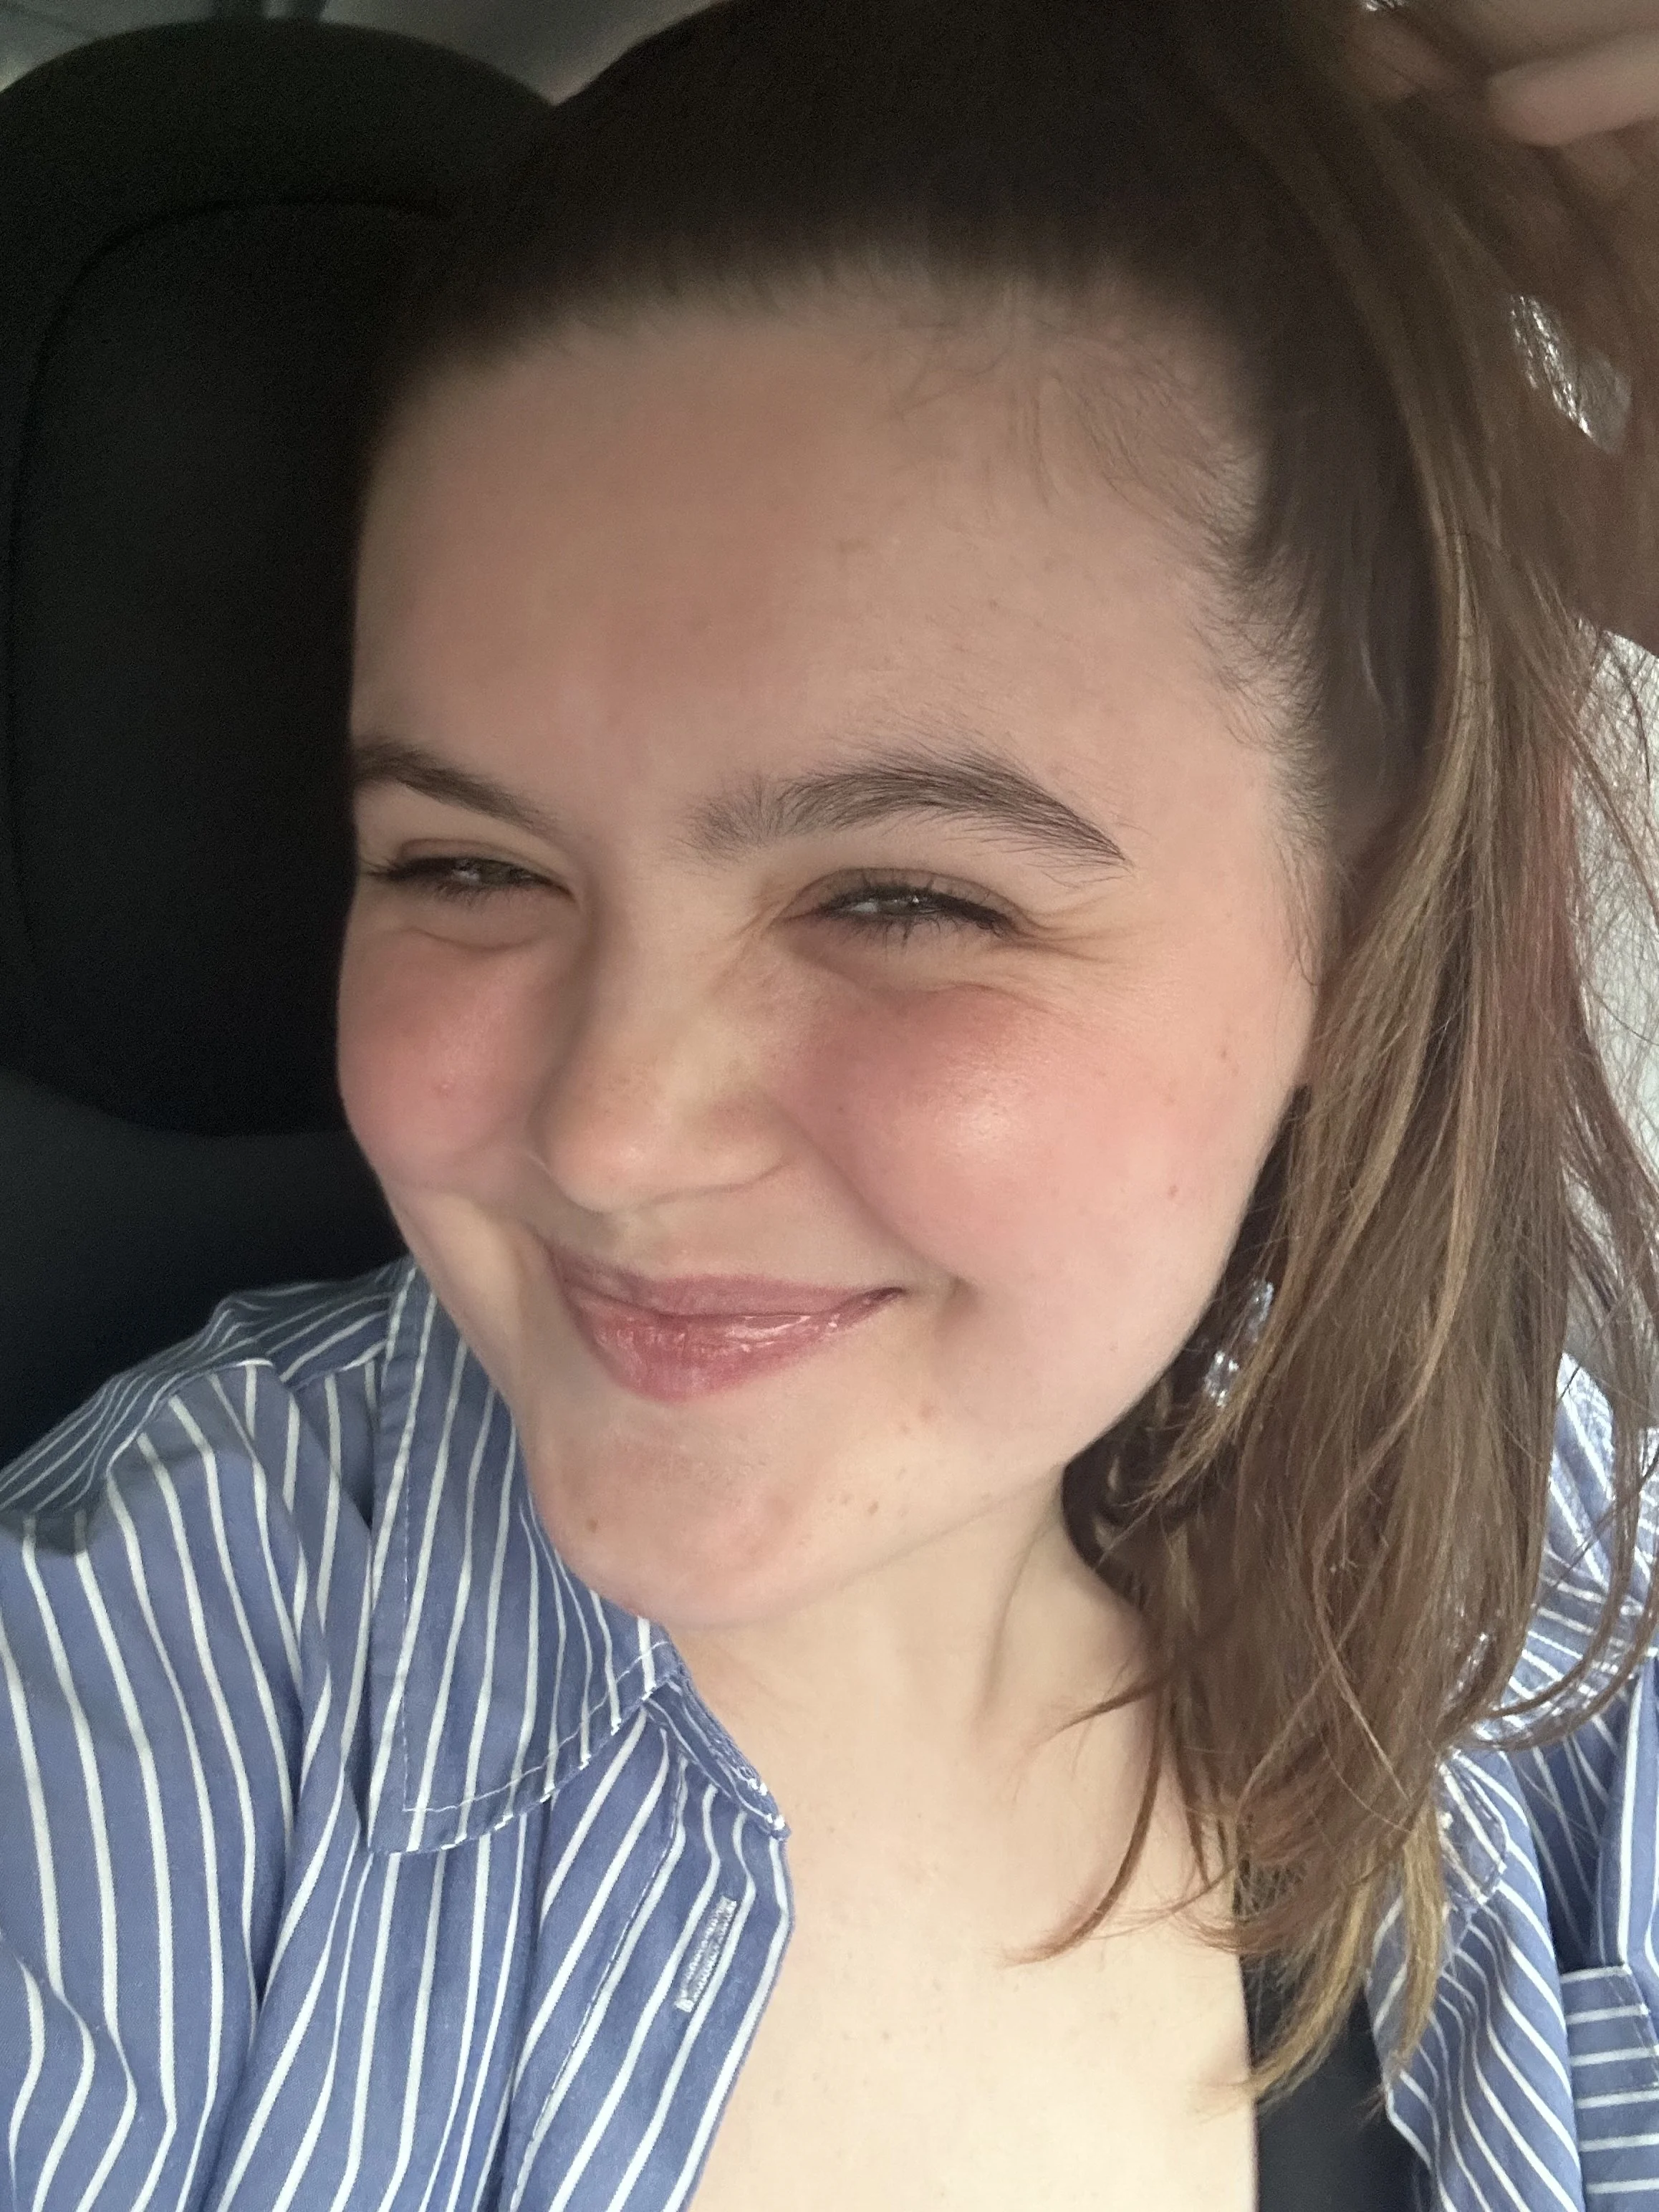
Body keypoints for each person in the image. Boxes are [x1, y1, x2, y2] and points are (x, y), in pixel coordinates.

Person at [3, 0, 1659, 2205]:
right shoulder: (112, 1759)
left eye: (896, 896)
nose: (610, 1136)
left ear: (1363, 917)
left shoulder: (1530, 1564)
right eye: (465, 867)